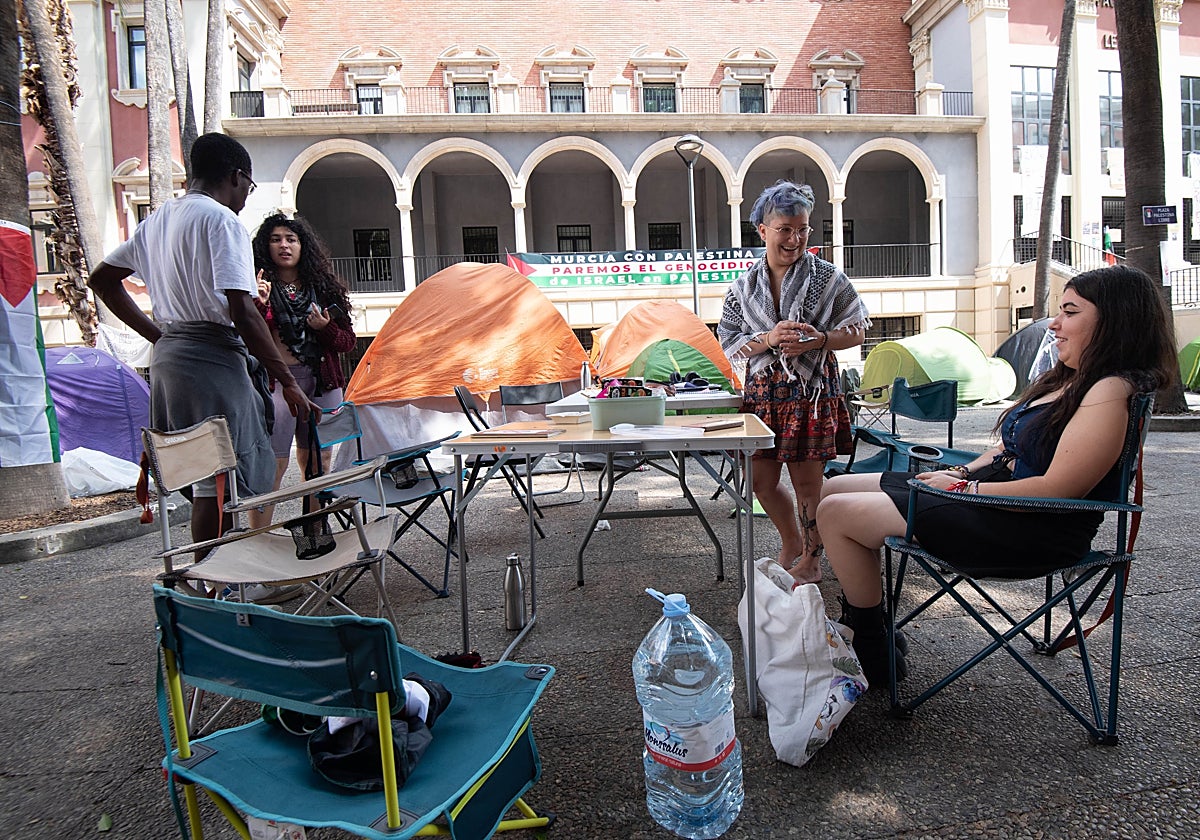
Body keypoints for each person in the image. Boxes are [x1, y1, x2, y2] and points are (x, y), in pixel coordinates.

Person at [816, 265, 1175, 687]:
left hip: (1027, 529)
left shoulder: (1109, 390)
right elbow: (1007, 446)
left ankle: (870, 643)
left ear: (1114, 321)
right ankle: (873, 624)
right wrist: (959, 471)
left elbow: (1058, 489)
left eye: (1070, 312)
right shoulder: (1072, 379)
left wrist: (964, 487)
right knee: (833, 487)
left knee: (837, 513)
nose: (1054, 324)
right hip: (997, 504)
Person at [88, 133, 320, 566]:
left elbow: (101, 279)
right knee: (224, 480)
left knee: (204, 482)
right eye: (248, 187)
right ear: (236, 176)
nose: (246, 197)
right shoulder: (221, 220)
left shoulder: (157, 220)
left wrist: (160, 337)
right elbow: (243, 310)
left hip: (171, 362)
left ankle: (211, 576)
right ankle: (224, 579)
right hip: (212, 358)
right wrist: (288, 382)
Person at [718, 180, 869, 584]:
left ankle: (812, 561)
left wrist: (819, 340)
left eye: (802, 229)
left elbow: (857, 330)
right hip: (763, 393)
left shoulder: (828, 278)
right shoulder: (743, 287)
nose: (795, 239)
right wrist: (769, 338)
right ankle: (792, 542)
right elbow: (730, 341)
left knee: (807, 485)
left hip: (811, 393)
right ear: (762, 230)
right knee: (760, 481)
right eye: (785, 229)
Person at [246, 214, 356, 529]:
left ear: (302, 245)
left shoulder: (324, 289)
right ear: (265, 246)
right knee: (273, 463)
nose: (284, 245)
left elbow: (347, 342)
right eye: (276, 239)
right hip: (276, 384)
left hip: (322, 383)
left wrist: (325, 328)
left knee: (319, 462)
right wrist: (258, 305)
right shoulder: (255, 286)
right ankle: (259, 537)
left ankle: (314, 531)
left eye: (291, 239)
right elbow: (245, 337)